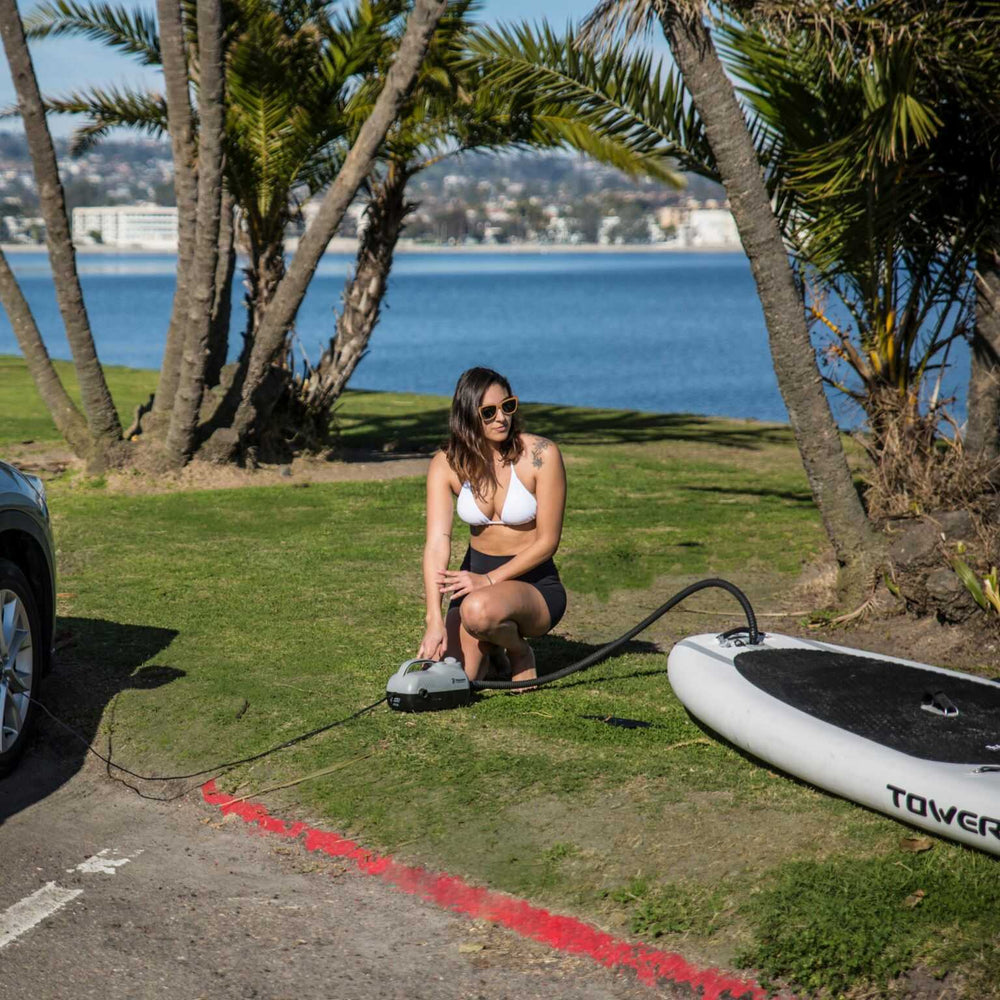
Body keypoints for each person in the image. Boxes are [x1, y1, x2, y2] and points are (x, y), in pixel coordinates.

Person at [416, 367, 567, 685]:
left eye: (508, 406)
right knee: (452, 679)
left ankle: (518, 651)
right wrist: (434, 618)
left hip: (534, 588)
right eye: (488, 412)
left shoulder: (540, 455)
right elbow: (436, 543)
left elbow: (548, 542)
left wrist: (488, 579)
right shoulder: (446, 463)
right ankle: (491, 647)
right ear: (467, 416)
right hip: (473, 588)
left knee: (478, 611)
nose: (502, 418)